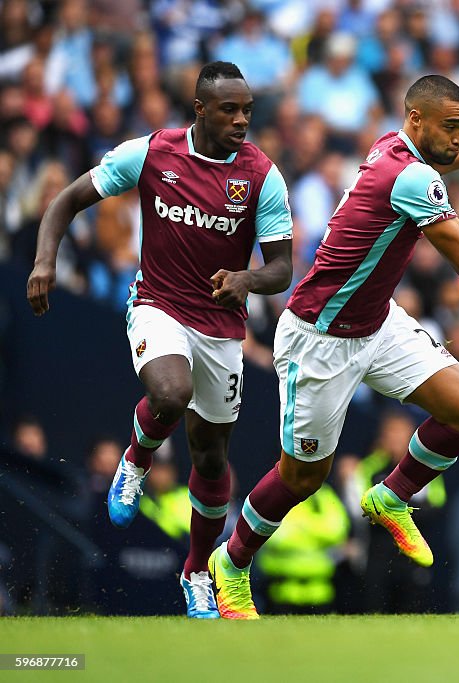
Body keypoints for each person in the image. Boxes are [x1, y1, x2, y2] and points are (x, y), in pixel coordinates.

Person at [207, 74, 459, 619]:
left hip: (377, 324)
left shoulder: (392, 145)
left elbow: (439, 158)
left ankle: (391, 496)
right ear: (416, 121)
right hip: (320, 339)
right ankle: (232, 563)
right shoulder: (409, 177)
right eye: (451, 128)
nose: (458, 139)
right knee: (302, 477)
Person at [26, 62, 294, 619]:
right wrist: (44, 261)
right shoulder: (151, 153)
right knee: (170, 393)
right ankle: (137, 458)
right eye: (230, 110)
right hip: (159, 306)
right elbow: (66, 200)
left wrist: (247, 278)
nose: (243, 120)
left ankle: (197, 571)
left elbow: (282, 269)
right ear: (199, 108)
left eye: (247, 109)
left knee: (212, 460)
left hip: (221, 328)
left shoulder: (262, 176)